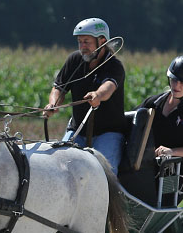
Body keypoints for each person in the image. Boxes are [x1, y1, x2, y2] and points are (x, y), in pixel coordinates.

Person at [44, 17, 128, 173]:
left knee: (105, 173)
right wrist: (53, 104)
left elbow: (108, 87)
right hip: (78, 130)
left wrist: (97, 95)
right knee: (58, 167)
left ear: (102, 41)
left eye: (86, 42)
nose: (82, 47)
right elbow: (59, 88)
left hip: (109, 133)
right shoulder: (74, 60)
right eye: (80, 42)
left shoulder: (115, 66)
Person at [137, 55, 183, 203]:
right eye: (174, 79)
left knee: (163, 205)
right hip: (150, 166)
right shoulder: (153, 102)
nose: (177, 85)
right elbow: (131, 124)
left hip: (179, 172)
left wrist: (172, 152)